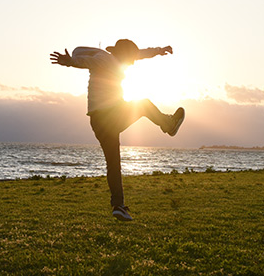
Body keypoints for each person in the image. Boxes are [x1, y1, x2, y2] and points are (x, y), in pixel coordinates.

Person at [50, 39, 185, 221]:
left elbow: (141, 53)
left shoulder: (116, 58)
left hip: (98, 122)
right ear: (123, 55)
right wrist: (71, 62)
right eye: (131, 59)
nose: (132, 63)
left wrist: (160, 50)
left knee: (113, 163)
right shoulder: (105, 59)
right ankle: (169, 125)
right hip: (110, 115)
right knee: (143, 104)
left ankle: (118, 206)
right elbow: (87, 62)